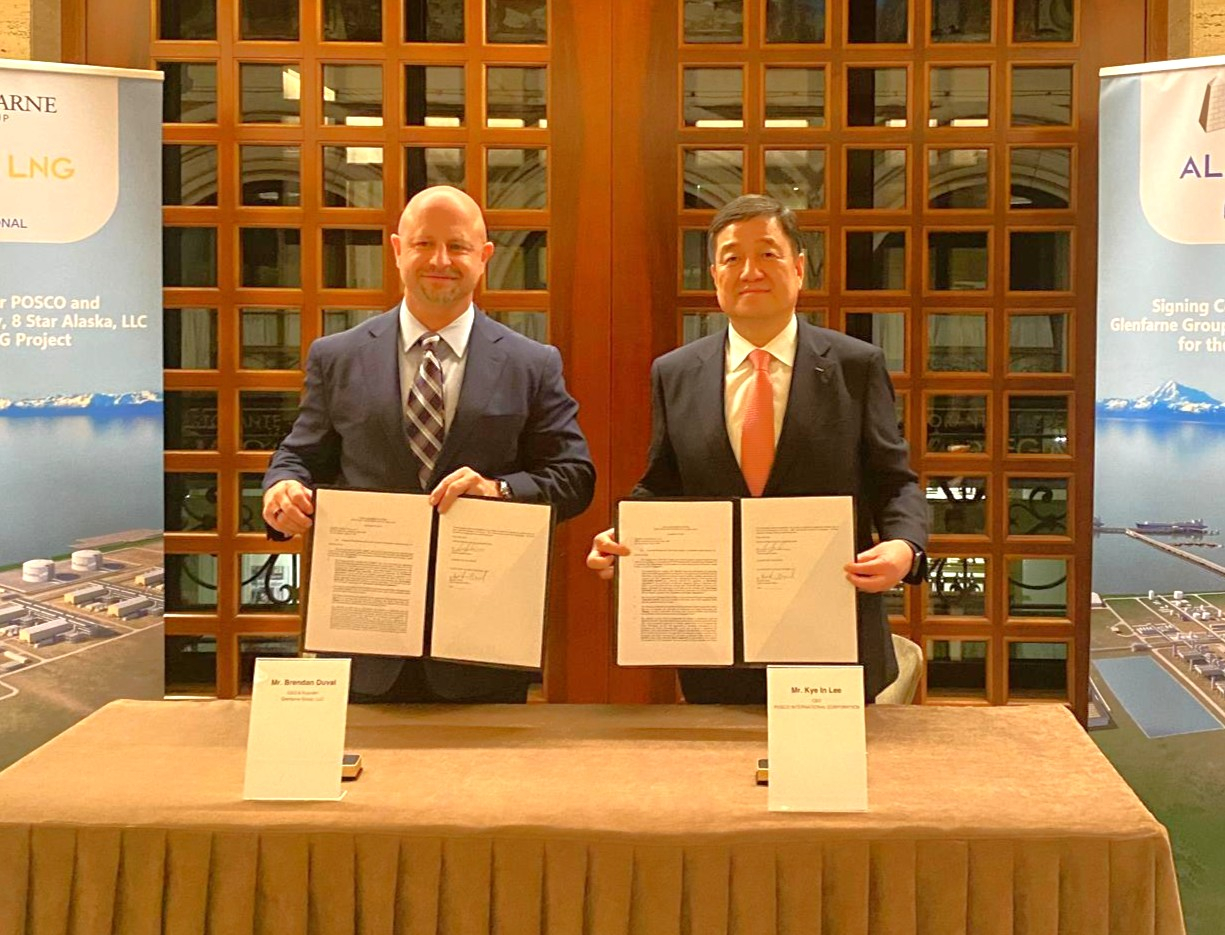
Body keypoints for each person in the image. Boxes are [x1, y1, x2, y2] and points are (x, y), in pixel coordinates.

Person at [586, 194, 927, 704]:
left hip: (832, 632)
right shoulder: (676, 373)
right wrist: (626, 537)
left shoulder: (855, 365)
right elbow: (663, 484)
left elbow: (895, 481)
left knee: (827, 760)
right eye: (732, 258)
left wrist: (905, 548)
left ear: (799, 268)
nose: (750, 271)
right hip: (718, 646)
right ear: (714, 276)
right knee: (718, 757)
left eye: (767, 253)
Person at [264, 185, 595, 703]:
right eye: (424, 244)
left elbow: (574, 478)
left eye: (458, 246)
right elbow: (301, 455)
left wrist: (499, 491)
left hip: (482, 643)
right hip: (364, 639)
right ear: (398, 250)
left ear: (484, 257)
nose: (441, 260)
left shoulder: (532, 363)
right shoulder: (337, 356)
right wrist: (282, 487)